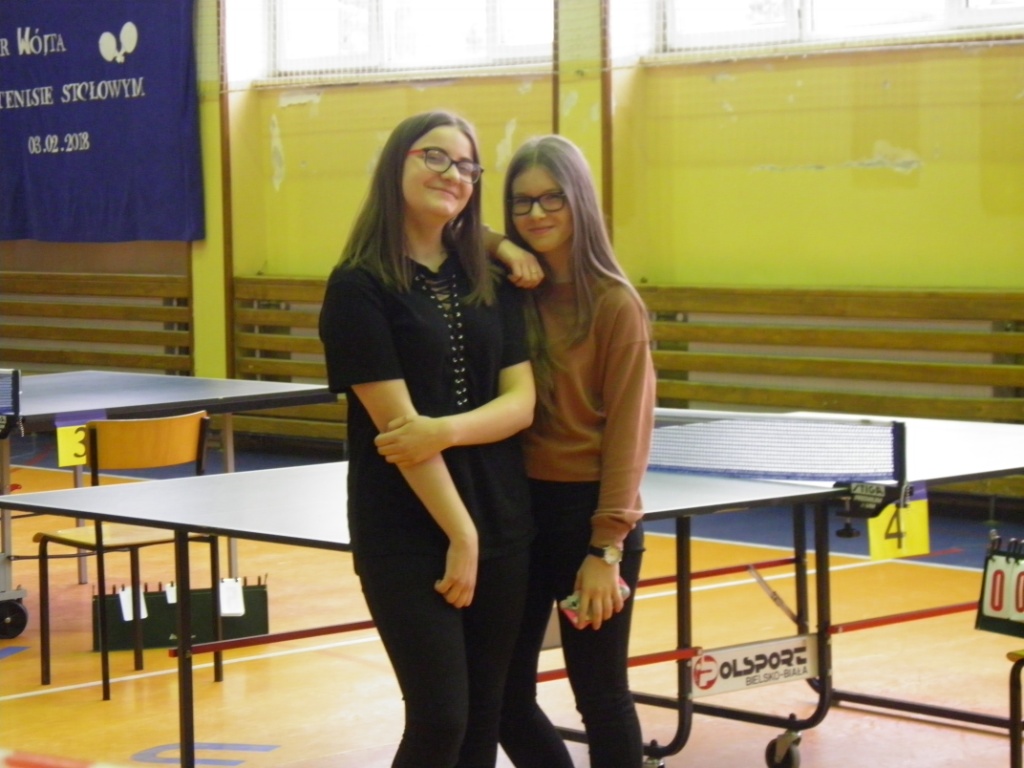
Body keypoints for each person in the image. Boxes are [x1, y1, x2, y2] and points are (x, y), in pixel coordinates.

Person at [318, 110, 539, 768]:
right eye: (434, 157)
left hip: (502, 518)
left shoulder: (488, 278)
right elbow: (398, 433)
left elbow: (521, 403)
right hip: (406, 529)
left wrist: (443, 431)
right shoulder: (357, 287)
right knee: (441, 718)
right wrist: (460, 535)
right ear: (398, 164)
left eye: (467, 166)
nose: (453, 174)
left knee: (483, 717)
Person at [498, 135, 656, 768]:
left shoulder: (615, 304)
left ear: (579, 201)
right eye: (521, 202)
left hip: (587, 518)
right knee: (504, 696)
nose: (536, 213)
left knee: (599, 695)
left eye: (552, 198)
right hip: (516, 514)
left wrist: (605, 547)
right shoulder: (512, 289)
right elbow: (456, 232)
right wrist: (501, 246)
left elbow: (628, 433)